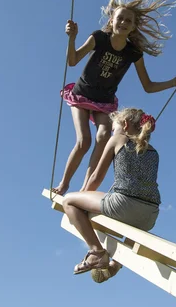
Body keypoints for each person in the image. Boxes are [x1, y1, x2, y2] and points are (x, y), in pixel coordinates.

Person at [52, 0, 176, 195]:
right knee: (85, 141)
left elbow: (148, 86)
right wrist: (72, 38)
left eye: (128, 20)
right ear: (111, 21)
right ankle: (64, 184)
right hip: (82, 95)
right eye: (120, 18)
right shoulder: (99, 38)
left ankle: (86, 189)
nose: (123, 22)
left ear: (133, 26)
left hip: (104, 102)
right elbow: (73, 61)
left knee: (105, 136)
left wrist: (172, 83)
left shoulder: (133, 52)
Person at [62, 108, 162, 276]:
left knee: (68, 201)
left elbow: (96, 177)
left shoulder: (118, 139)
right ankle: (116, 263)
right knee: (133, 224)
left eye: (114, 128)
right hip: (151, 215)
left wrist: (83, 198)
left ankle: (97, 253)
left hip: (124, 204)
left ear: (125, 124)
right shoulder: (154, 151)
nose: (113, 132)